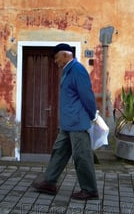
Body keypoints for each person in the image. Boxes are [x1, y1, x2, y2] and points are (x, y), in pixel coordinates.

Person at [32, 43, 99, 201]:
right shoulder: (68, 71)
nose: (56, 61)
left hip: (77, 122)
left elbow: (87, 95)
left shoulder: (77, 70)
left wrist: (92, 115)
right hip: (68, 123)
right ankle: (49, 182)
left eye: (56, 58)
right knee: (59, 152)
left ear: (65, 55)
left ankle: (90, 190)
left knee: (82, 156)